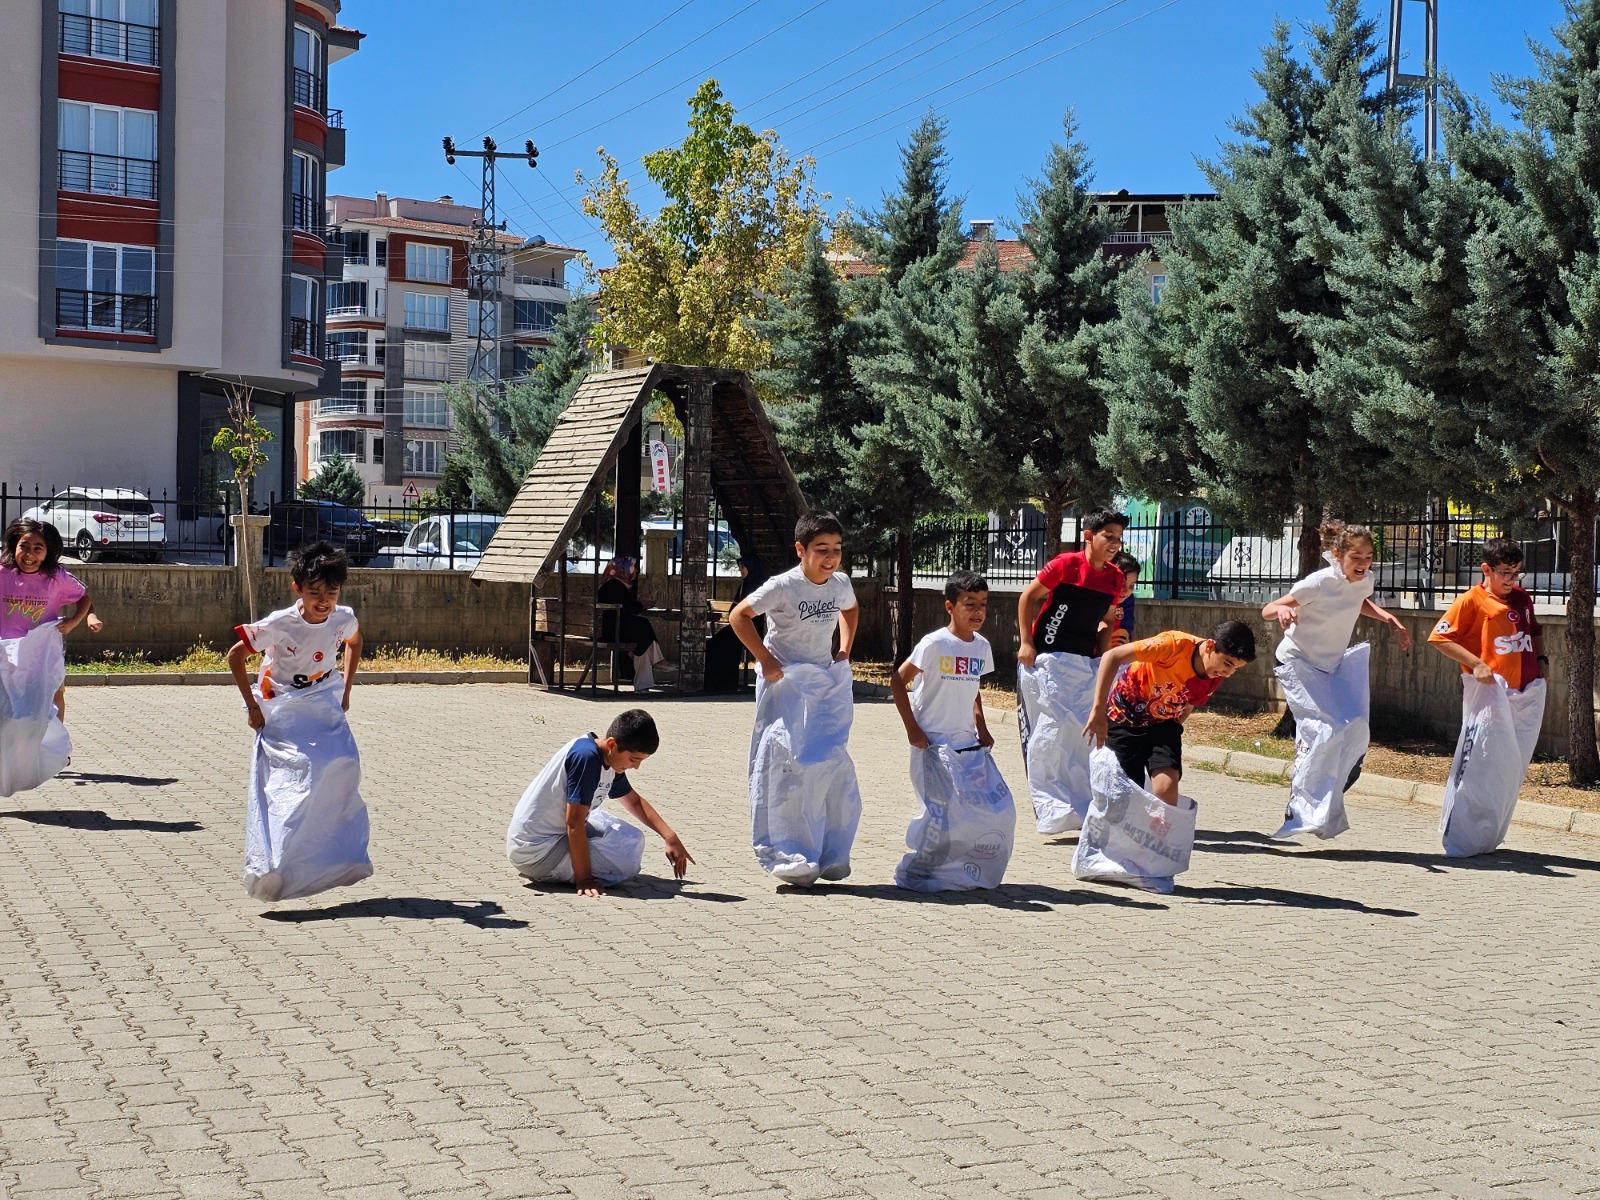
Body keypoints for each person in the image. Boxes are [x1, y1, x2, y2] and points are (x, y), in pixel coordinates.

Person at [227, 542, 371, 901]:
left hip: (322, 701)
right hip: (284, 706)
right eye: (315, 592)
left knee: (344, 763)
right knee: (298, 780)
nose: (324, 601)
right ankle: (275, 865)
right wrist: (252, 708)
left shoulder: (343, 618)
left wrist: (346, 690)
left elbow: (355, 643)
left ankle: (339, 858)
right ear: (298, 589)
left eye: (331, 593)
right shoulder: (280, 624)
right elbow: (235, 656)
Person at [730, 512, 862, 885]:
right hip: (784, 685)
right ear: (801, 549)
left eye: (836, 549)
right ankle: (787, 852)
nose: (831, 557)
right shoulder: (782, 586)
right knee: (785, 763)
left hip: (822, 685)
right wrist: (765, 658)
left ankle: (829, 851)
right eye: (821, 549)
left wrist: (845, 649)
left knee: (827, 762)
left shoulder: (840, 584)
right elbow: (739, 616)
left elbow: (850, 608)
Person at [1261, 520, 1411, 840]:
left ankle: (1334, 783)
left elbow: (1357, 599)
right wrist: (1283, 612)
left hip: (1330, 666)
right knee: (1323, 730)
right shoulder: (1318, 583)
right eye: (1356, 557)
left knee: (1354, 725)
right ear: (1337, 554)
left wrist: (1387, 617)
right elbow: (1269, 608)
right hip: (1297, 662)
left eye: (1368, 557)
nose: (1363, 564)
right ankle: (1298, 806)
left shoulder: (1365, 580)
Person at [889, 570, 1015, 891]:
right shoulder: (934, 644)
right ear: (950, 606)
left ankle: (958, 870)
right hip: (931, 745)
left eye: (983, 604)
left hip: (965, 745)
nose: (978, 611)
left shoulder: (981, 646)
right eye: (969, 603)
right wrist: (912, 730)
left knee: (988, 810)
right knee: (942, 815)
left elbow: (973, 688)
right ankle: (920, 872)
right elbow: (897, 681)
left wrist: (981, 726)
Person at [1427, 537, 1547, 856]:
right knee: (1480, 763)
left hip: (1525, 694)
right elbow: (1439, 637)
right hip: (1491, 696)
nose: (1512, 579)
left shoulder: (1522, 598)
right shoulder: (1472, 600)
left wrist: (1542, 660)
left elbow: (1535, 630)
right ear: (1486, 569)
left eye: (1517, 573)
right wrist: (1476, 663)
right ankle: (1461, 835)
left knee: (1509, 768)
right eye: (1505, 572)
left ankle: (1488, 834)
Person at [1014, 509, 1129, 834]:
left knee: (1082, 733)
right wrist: (1026, 643)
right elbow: (1027, 598)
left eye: (1119, 539)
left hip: (1082, 661)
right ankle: (1053, 806)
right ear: (1088, 536)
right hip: (1048, 657)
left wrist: (1103, 655)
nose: (1114, 544)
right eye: (1108, 536)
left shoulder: (1114, 578)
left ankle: (1082, 804)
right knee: (1054, 730)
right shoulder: (1065, 565)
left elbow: (1107, 619)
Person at [506, 709, 694, 897]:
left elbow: (634, 802)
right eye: (633, 759)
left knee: (633, 839)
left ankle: (578, 861)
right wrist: (584, 879)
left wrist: (670, 837)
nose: (636, 767)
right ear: (612, 744)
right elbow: (574, 823)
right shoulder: (586, 758)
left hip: (556, 834)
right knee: (626, 866)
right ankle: (564, 871)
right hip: (535, 853)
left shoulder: (610, 759)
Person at [1082, 620, 1257, 805]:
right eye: (1227, 664)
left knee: (1166, 789)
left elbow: (1187, 706)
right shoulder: (1172, 645)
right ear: (1210, 646)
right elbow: (1111, 656)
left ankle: (1161, 824)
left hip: (1164, 724)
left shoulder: (1215, 673)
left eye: (1235, 669)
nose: (1227, 673)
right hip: (1125, 716)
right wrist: (1098, 711)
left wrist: (1169, 738)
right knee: (1123, 796)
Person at [0, 519, 88, 794]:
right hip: (5, 657)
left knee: (37, 711)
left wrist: (74, 622)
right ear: (13, 546)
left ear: (48, 551)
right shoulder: (2, 573)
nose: (30, 554)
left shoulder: (56, 578)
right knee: (6, 714)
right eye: (24, 546)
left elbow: (84, 597)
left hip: (38, 659)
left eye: (38, 548)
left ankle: (48, 749)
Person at [597, 557, 665, 692]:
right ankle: (657, 661)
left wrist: (638, 604)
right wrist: (642, 605)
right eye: (633, 566)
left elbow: (625, 607)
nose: (636, 570)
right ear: (623, 568)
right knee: (643, 626)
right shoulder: (614, 585)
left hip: (608, 630)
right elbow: (628, 608)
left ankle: (645, 683)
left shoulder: (611, 585)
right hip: (612, 632)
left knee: (643, 641)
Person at [1103, 551, 1141, 648]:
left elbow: (1127, 631)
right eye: (1122, 584)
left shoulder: (1128, 600)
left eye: (1132, 585)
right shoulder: (1094, 598)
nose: (1126, 590)